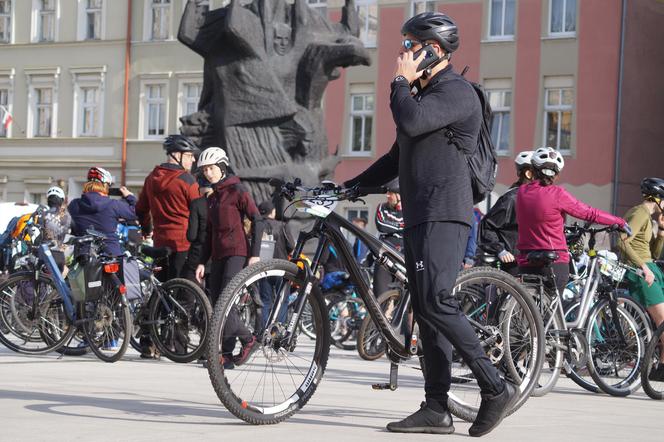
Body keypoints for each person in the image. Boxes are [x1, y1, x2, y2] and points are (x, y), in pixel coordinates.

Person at [343, 12, 515, 436]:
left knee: (438, 301)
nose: (403, 54)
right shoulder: (423, 96)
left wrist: (399, 83)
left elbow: (411, 121)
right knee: (426, 310)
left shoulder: (456, 92)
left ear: (433, 51)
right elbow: (395, 157)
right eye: (403, 45)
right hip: (419, 213)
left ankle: (495, 386)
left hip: (446, 212)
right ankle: (436, 409)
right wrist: (350, 188)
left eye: (410, 46)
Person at [516, 147, 630, 295]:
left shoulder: (521, 192)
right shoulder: (557, 194)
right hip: (554, 262)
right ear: (556, 174)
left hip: (526, 260)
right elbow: (589, 213)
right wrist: (619, 221)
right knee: (553, 311)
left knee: (530, 311)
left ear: (534, 169)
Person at [195, 147, 263, 369]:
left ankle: (249, 339)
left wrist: (255, 254)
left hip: (237, 253)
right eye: (205, 170)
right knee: (218, 305)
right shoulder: (212, 197)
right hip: (218, 255)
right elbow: (209, 233)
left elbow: (257, 219)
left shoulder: (237, 190)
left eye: (211, 168)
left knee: (227, 302)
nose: (208, 173)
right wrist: (201, 261)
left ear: (222, 167)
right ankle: (225, 355)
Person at [617, 177, 664, 379]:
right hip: (642, 273)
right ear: (659, 198)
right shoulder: (639, 213)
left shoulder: (648, 217)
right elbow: (622, 241)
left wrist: (661, 230)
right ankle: (660, 369)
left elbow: (654, 252)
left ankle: (660, 368)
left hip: (650, 269)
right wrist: (644, 266)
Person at [136, 134, 200, 281]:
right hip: (183, 245)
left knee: (162, 292)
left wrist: (146, 229)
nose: (193, 160)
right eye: (190, 155)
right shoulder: (187, 180)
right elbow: (201, 211)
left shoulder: (151, 178)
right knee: (184, 295)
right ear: (178, 155)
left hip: (160, 244)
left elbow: (141, 209)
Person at [479, 151, 534, 275]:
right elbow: (487, 226)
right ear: (529, 173)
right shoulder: (512, 198)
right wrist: (500, 250)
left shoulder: (541, 198)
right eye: (539, 171)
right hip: (515, 263)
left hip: (535, 260)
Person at [68, 167, 137, 257]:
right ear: (105, 186)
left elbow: (73, 228)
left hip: (84, 256)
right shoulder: (113, 204)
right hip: (111, 254)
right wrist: (130, 196)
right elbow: (137, 212)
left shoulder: (74, 204)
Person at [257, 200, 295, 326]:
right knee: (282, 300)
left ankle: (263, 330)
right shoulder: (283, 225)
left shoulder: (257, 225)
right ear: (272, 212)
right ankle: (278, 330)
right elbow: (291, 246)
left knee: (265, 301)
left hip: (263, 268)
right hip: (281, 266)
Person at [372, 179, 404, 297]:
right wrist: (401, 226)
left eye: (390, 193)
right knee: (382, 296)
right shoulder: (382, 208)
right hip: (385, 256)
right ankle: (384, 315)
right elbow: (381, 225)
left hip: (404, 257)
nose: (387, 195)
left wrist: (395, 226)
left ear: (399, 195)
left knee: (409, 299)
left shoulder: (410, 209)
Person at [183, 176, 213, 283]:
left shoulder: (197, 204)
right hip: (216, 255)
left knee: (190, 292)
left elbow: (192, 235)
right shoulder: (222, 202)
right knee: (214, 296)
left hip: (198, 254)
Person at [42, 186, 72, 271]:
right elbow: (76, 231)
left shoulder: (42, 215)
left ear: (48, 200)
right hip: (59, 254)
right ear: (61, 200)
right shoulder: (67, 216)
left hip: (43, 253)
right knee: (56, 282)